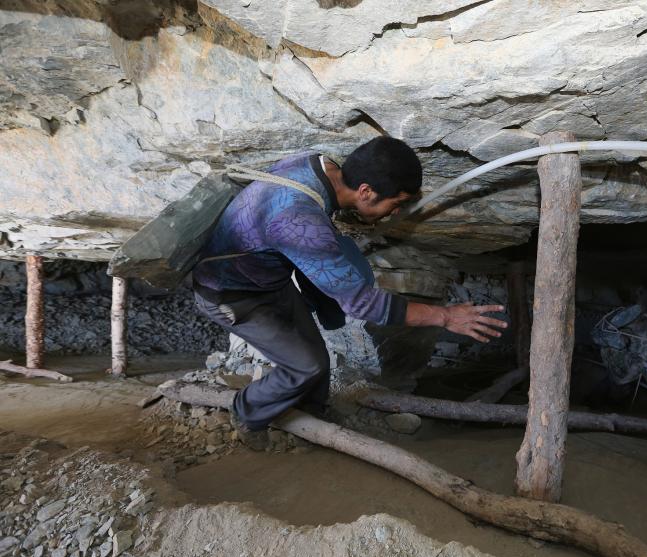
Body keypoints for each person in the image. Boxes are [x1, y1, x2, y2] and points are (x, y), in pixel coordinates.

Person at [192, 136, 507, 450]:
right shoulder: (300, 221)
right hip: (230, 295)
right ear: (366, 191)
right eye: (395, 205)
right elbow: (362, 303)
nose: (394, 214)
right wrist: (446, 316)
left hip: (267, 279)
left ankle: (311, 416)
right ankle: (247, 414)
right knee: (306, 366)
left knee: (317, 358)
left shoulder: (315, 165)